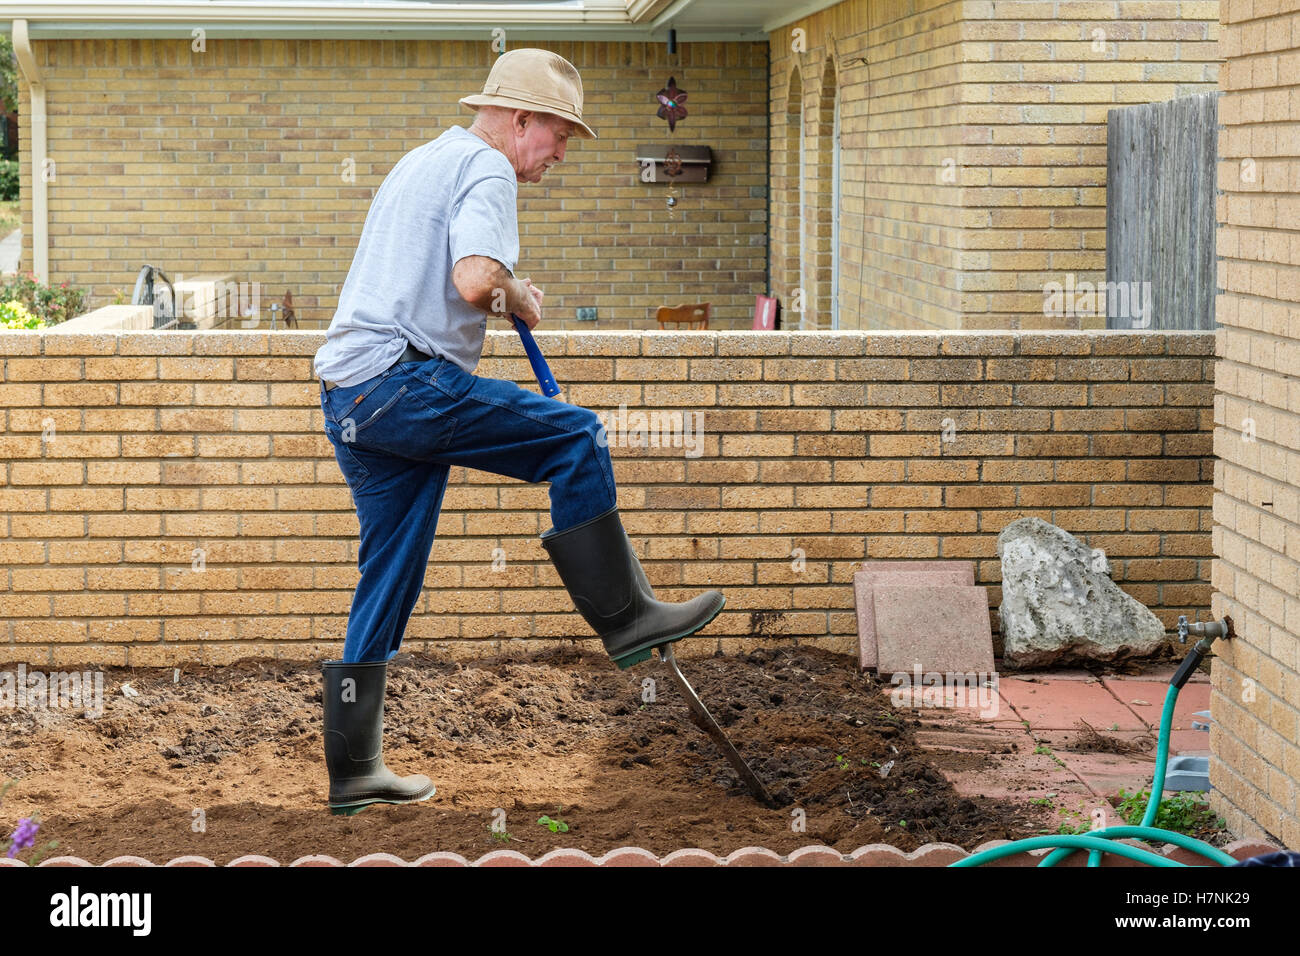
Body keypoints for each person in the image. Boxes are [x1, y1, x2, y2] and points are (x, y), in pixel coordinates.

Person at [311, 49, 725, 816]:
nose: (562, 154)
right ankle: (628, 618)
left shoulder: (424, 159)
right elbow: (473, 279)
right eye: (561, 134)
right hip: (403, 384)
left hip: (351, 396)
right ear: (521, 119)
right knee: (576, 439)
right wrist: (515, 294)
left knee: (389, 574)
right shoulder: (488, 168)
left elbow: (455, 279)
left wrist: (507, 289)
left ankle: (354, 769)